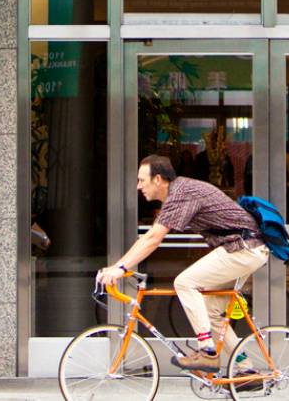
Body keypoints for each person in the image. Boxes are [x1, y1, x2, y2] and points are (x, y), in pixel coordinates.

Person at [97, 154, 268, 372]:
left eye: (142, 180)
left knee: (185, 282)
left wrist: (120, 268)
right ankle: (247, 370)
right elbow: (151, 237)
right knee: (210, 312)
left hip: (243, 248)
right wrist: (120, 266)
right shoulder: (179, 192)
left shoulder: (181, 193)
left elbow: (153, 238)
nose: (138, 186)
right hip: (246, 249)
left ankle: (207, 351)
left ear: (158, 179)